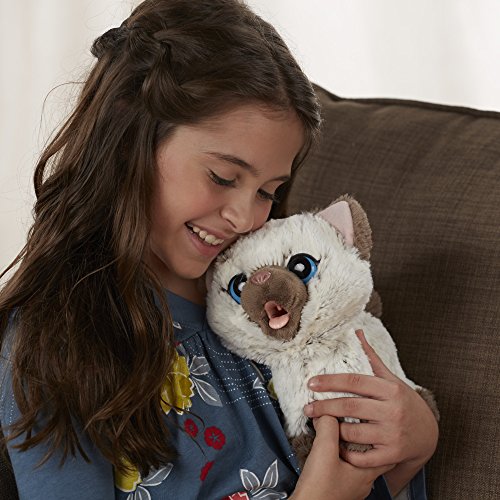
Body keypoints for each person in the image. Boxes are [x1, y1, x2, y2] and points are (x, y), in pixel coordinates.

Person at [0, 0, 438, 498]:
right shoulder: (57, 343)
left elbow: (347, 478)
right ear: (128, 139)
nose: (246, 217)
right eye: (223, 177)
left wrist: (414, 445)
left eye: (268, 192)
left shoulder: (275, 311)